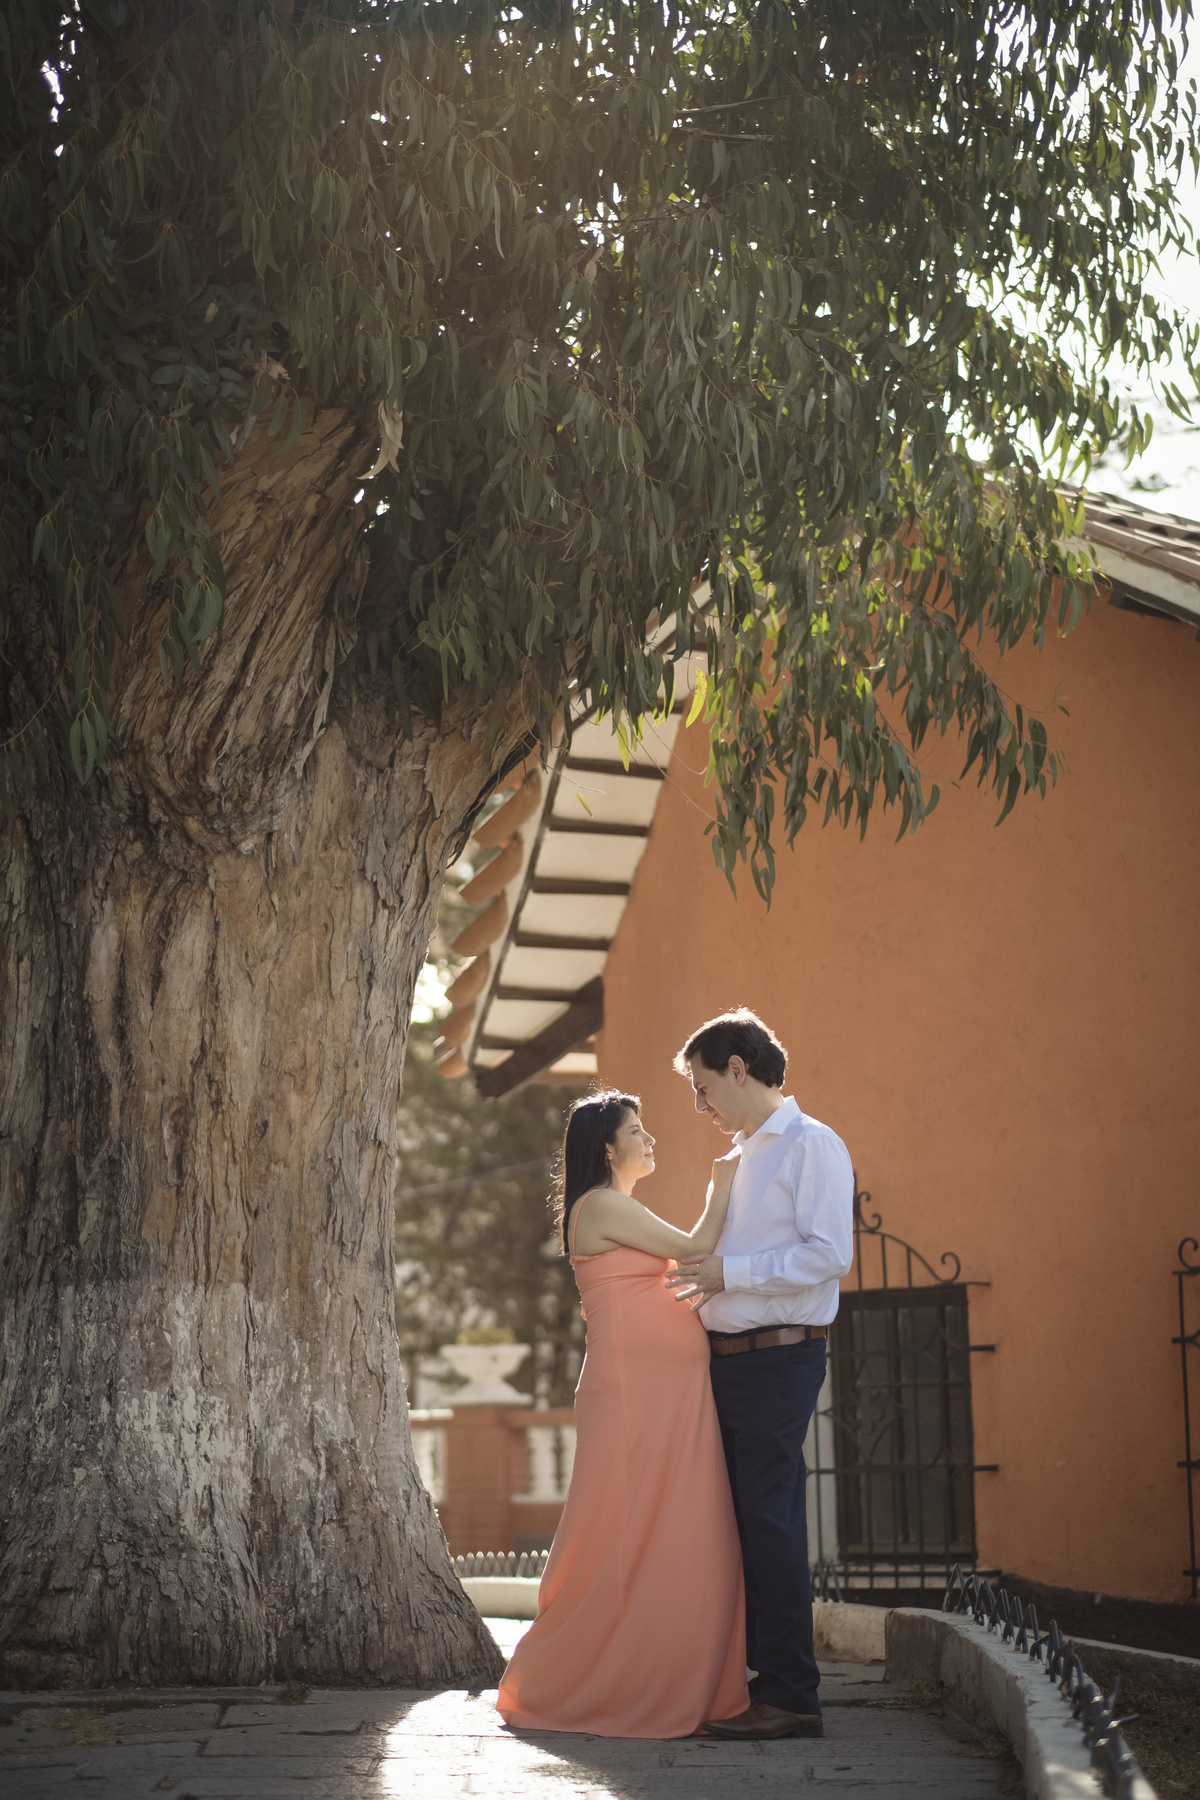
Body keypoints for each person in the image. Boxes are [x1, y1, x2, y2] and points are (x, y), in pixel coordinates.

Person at [496, 1089, 749, 1738]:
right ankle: (600, 1677)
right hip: (639, 1391)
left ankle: (661, 1667)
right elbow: (697, 1246)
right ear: (609, 1147)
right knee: (629, 1524)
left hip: (665, 1392)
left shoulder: (614, 1206)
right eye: (639, 1130)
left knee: (667, 1523)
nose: (651, 1139)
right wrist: (726, 1179)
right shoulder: (603, 1204)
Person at [665, 1009, 854, 1742]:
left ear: (737, 1068)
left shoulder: (813, 1144)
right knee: (738, 1525)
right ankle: (752, 1682)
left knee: (769, 1523)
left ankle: (791, 1696)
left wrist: (728, 1273)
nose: (699, 1104)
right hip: (729, 1364)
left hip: (780, 1357)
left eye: (702, 1086)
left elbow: (828, 1254)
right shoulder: (743, 1155)